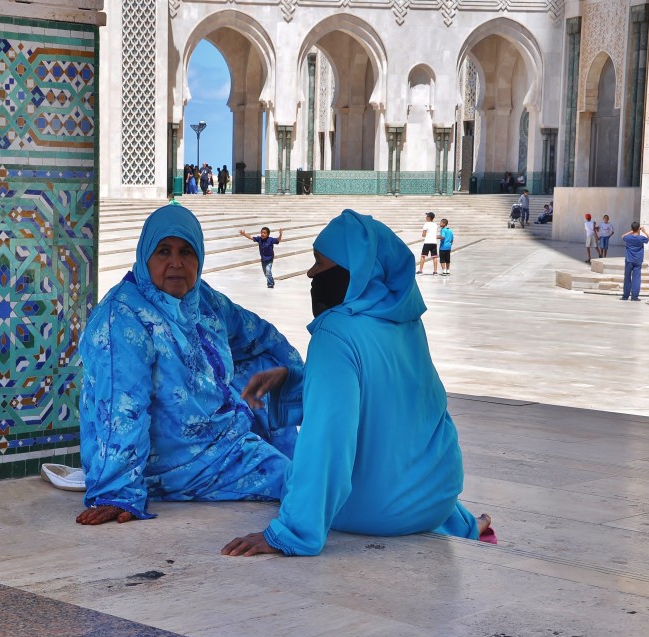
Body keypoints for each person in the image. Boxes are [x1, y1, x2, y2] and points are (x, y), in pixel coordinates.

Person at [222, 210, 491, 558]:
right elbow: (383, 395)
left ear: (355, 270)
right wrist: (295, 383)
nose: (311, 273)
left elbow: (329, 438)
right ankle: (462, 523)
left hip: (381, 514)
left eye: (320, 264)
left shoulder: (335, 331)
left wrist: (291, 532)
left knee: (291, 476)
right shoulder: (404, 319)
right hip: (439, 499)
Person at [77, 205, 304, 525]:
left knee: (268, 368)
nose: (176, 263)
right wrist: (118, 491)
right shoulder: (124, 317)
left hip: (221, 437)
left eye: (186, 252)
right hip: (175, 463)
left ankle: (296, 454)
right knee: (306, 486)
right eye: (163, 251)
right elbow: (121, 406)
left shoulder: (203, 300)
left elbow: (260, 336)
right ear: (145, 256)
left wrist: (299, 378)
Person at [620, 221, 649, 301]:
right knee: (636, 278)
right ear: (638, 229)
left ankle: (625, 296)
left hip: (629, 260)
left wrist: (632, 231)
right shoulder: (641, 238)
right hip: (638, 260)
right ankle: (634, 297)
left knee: (627, 278)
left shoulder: (628, 237)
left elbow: (622, 236)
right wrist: (644, 231)